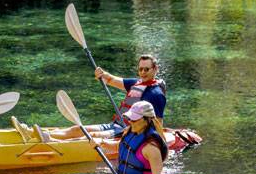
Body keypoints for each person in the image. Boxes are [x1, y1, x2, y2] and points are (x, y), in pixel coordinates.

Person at [13, 101, 167, 174]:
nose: (130, 121)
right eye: (130, 118)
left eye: (134, 119)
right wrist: (102, 143)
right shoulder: (131, 131)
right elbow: (121, 147)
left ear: (147, 120)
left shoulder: (152, 148)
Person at [13, 55, 166, 142]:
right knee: (77, 129)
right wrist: (101, 73)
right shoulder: (135, 83)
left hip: (128, 133)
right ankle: (33, 134)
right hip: (116, 125)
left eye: (147, 69)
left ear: (155, 69)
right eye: (140, 69)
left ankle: (52, 141)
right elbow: (110, 80)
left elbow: (158, 124)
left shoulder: (156, 94)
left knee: (91, 136)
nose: (143, 72)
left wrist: (157, 144)